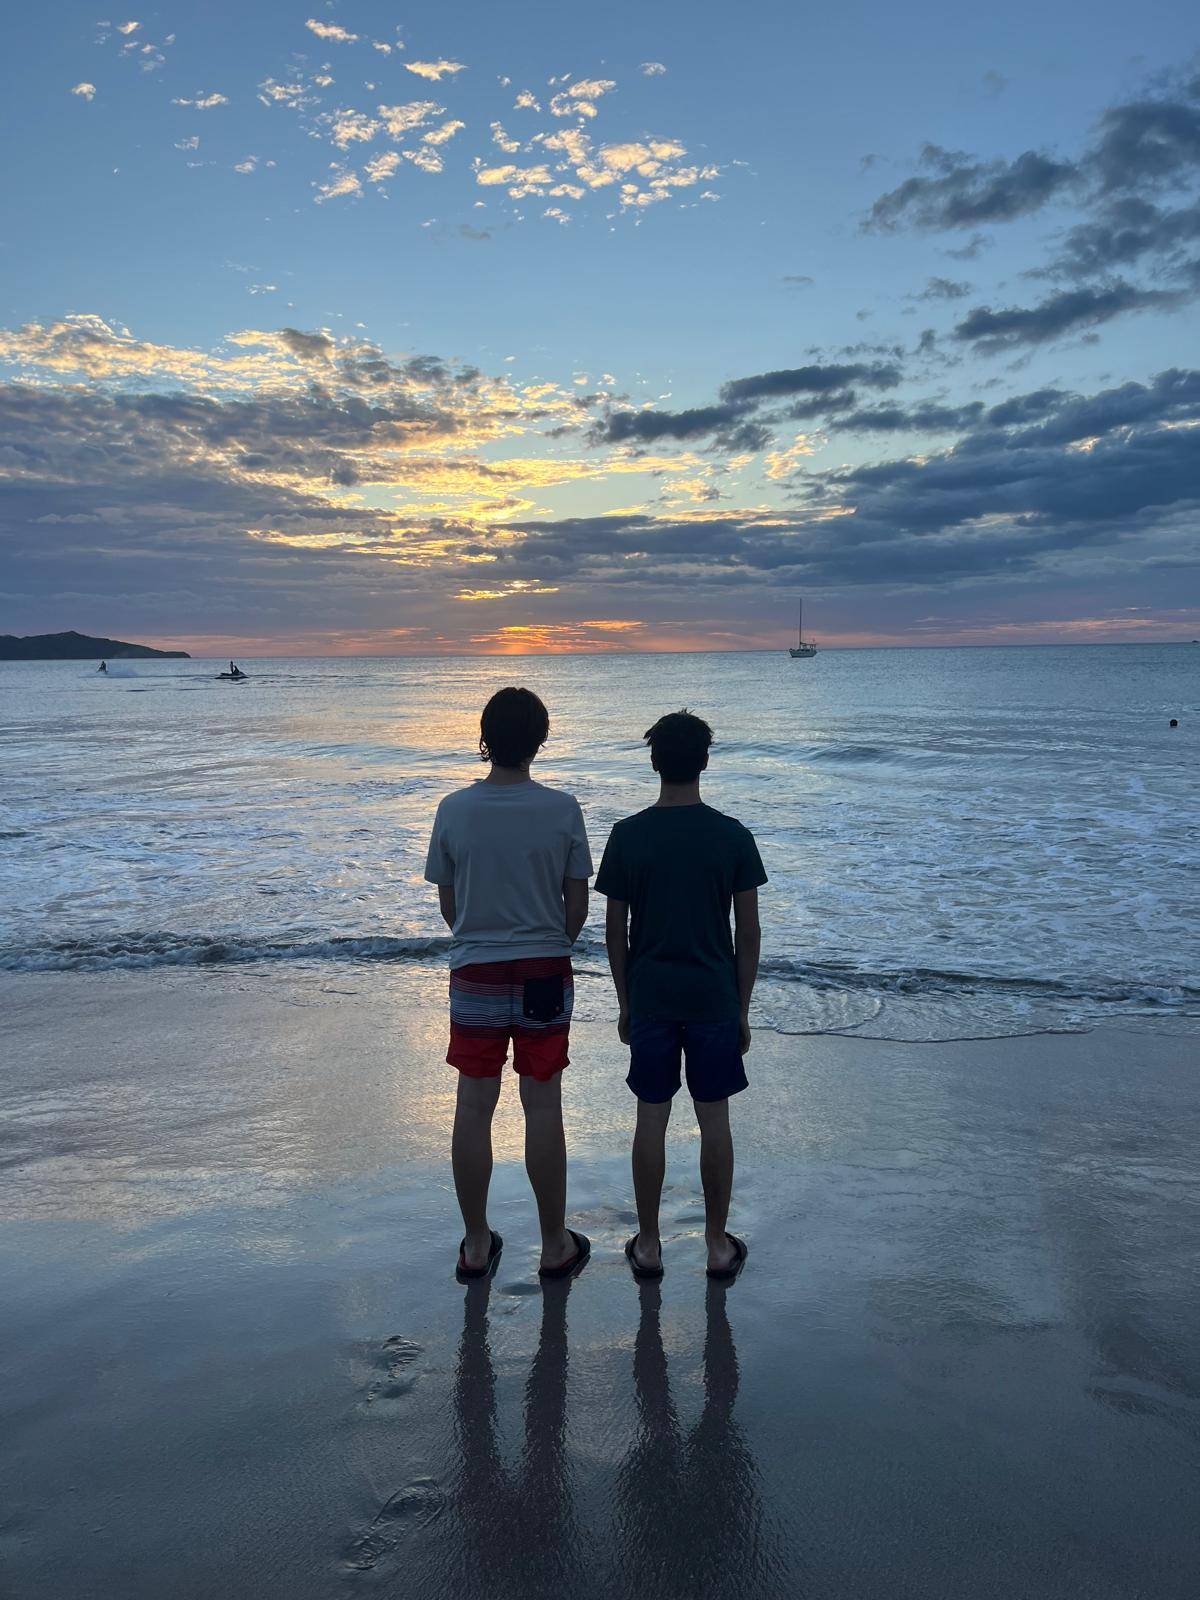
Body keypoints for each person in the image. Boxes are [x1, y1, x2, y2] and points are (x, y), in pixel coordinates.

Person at [425, 686, 593, 1281]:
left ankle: (475, 1242)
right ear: (540, 740)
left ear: (485, 738)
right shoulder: (562, 808)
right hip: (546, 965)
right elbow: (576, 904)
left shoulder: (453, 809)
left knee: (473, 1104)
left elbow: (450, 902)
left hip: (477, 969)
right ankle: (554, 1243)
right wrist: (552, 941)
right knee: (542, 1102)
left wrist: (481, 938)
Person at [596, 710, 766, 1280]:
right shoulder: (731, 834)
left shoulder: (628, 835)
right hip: (713, 996)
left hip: (652, 996)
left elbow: (613, 932)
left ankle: (649, 1243)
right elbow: (749, 932)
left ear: (654, 762)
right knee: (713, 1119)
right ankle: (716, 1244)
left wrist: (625, 1000)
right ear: (705, 762)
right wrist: (741, 1007)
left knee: (652, 1115)